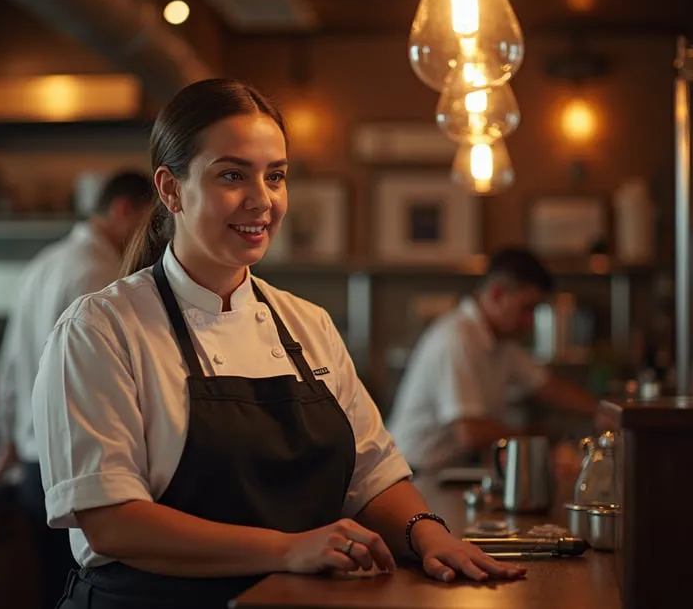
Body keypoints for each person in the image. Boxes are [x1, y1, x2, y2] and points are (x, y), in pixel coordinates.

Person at [31, 78, 526, 609]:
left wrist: (429, 535)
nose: (261, 199)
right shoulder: (101, 328)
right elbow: (112, 523)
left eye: (276, 176)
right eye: (231, 175)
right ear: (171, 189)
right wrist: (290, 549)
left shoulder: (307, 324)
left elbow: (373, 475)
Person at [0, 170, 153, 607]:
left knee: (47, 592)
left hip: (34, 471)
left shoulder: (42, 263)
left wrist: (10, 444)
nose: (153, 235)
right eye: (150, 221)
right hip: (76, 474)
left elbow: (9, 367)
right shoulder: (101, 275)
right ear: (122, 210)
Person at [386, 248, 601, 474]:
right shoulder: (457, 339)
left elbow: (547, 386)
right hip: (414, 472)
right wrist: (540, 439)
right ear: (497, 295)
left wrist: (602, 412)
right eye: (526, 309)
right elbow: (471, 433)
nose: (530, 322)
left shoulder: (502, 341)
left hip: (447, 470)